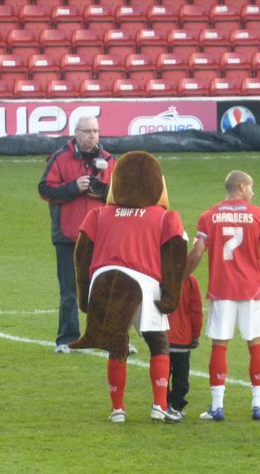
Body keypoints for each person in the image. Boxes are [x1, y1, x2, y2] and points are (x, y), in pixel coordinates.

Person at [70, 151, 187, 424]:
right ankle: (159, 405)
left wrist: (84, 296)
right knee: (158, 344)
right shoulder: (164, 217)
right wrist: (171, 295)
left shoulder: (98, 214)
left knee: (117, 345)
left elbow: (81, 253)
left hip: (104, 280)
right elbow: (176, 256)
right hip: (144, 284)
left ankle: (118, 409)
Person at [185, 170, 260, 421]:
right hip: (251, 289)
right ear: (241, 187)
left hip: (221, 289)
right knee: (255, 343)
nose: (253, 192)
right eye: (251, 187)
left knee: (220, 345)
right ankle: (258, 406)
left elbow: (197, 252)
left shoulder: (209, 216)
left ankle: (217, 406)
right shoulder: (258, 214)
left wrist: (181, 277)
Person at [38, 115, 116, 354]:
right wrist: (74, 187)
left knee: (104, 288)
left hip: (99, 237)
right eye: (88, 131)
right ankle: (67, 339)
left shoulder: (108, 160)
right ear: (77, 133)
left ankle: (110, 336)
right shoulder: (60, 158)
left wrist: (99, 190)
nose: (93, 135)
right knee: (69, 292)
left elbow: (118, 194)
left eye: (96, 131)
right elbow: (44, 189)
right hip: (67, 236)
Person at [167, 274, 203, 415]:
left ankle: (162, 403)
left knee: (162, 373)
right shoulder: (190, 279)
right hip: (182, 336)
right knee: (181, 376)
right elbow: (196, 310)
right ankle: (175, 405)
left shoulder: (158, 275)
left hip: (161, 336)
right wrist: (195, 334)